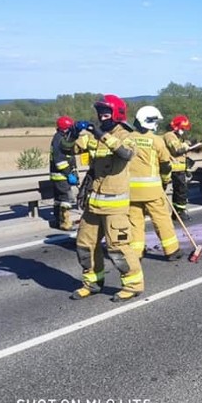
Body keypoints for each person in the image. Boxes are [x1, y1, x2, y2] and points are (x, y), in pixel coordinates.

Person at [71, 94, 144, 302]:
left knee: (118, 248)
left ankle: (133, 285)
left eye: (106, 113)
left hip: (115, 207)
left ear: (117, 114)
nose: (102, 117)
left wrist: (100, 134)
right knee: (85, 245)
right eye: (99, 113)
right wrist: (70, 134)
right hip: (93, 204)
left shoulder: (127, 136)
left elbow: (125, 154)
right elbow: (69, 149)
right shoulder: (93, 135)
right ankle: (92, 282)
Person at [129, 106, 183, 261]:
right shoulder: (156, 141)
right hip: (152, 190)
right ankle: (171, 250)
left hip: (131, 191)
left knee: (135, 222)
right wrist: (166, 181)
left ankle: (136, 253)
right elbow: (165, 164)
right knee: (161, 220)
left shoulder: (127, 139)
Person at [162, 114, 200, 220]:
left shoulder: (176, 137)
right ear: (176, 127)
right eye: (182, 128)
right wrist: (187, 146)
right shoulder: (169, 135)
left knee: (180, 191)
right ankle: (178, 213)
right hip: (172, 169)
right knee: (179, 191)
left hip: (179, 169)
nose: (183, 131)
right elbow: (177, 150)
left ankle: (178, 213)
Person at [49, 116, 79, 231]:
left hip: (58, 176)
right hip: (61, 176)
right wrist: (69, 174)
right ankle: (65, 223)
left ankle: (57, 221)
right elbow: (60, 161)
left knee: (58, 200)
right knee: (65, 200)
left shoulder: (59, 137)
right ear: (64, 129)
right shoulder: (59, 139)